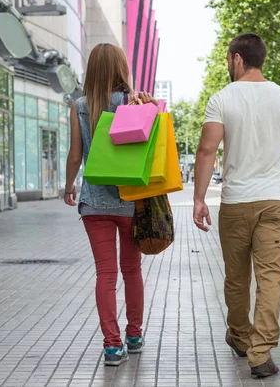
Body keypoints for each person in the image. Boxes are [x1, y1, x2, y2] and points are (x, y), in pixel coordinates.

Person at [192, 33, 280, 378]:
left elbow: (207, 151)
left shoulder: (221, 98)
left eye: (227, 59)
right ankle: (260, 352)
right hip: (272, 202)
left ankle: (239, 335)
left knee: (236, 278)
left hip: (235, 202)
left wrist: (199, 198)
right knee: (270, 278)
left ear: (236, 58)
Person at [63, 43, 158, 366]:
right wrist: (151, 106)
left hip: (94, 202)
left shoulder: (79, 106)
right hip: (130, 200)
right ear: (121, 68)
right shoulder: (133, 102)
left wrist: (67, 187)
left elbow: (76, 155)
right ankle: (134, 335)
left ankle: (112, 345)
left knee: (105, 274)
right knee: (132, 271)